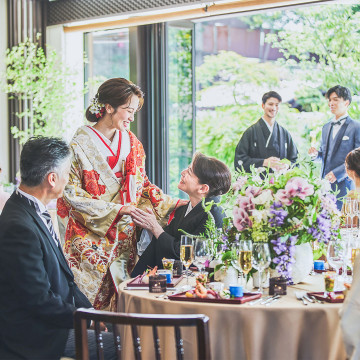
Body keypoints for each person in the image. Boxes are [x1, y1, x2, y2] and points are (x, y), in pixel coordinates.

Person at [57, 78, 181, 310]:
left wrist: (174, 203)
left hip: (125, 236)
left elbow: (143, 185)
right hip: (91, 236)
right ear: (108, 107)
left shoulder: (132, 143)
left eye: (134, 111)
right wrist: (117, 209)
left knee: (124, 302)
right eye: (128, 110)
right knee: (89, 310)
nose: (132, 118)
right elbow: (70, 194)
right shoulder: (78, 145)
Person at [0, 137, 116, 360]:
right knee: (128, 343)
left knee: (124, 328)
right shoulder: (18, 226)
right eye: (67, 172)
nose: (69, 179)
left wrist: (92, 314)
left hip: (54, 321)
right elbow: (38, 299)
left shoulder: (30, 209)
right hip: (37, 335)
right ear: (52, 179)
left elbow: (68, 282)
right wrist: (88, 320)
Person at [131, 152, 231, 277]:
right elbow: (166, 239)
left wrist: (155, 228)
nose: (182, 172)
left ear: (203, 189)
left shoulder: (214, 215)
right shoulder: (184, 208)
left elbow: (190, 255)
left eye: (189, 171)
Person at [309, 85, 360, 210]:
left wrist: (338, 173)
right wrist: (316, 155)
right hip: (324, 185)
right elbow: (324, 155)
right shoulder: (326, 127)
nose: (331, 103)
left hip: (346, 185)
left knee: (345, 223)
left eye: (335, 100)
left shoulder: (356, 127)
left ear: (346, 102)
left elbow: (358, 158)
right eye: (329, 100)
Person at [234, 91, 298, 173]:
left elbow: (295, 159)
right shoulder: (251, 132)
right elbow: (240, 160)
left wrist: (287, 165)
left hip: (280, 183)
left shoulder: (284, 133)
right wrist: (263, 162)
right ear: (263, 105)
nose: (274, 108)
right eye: (270, 104)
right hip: (257, 183)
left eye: (277, 105)